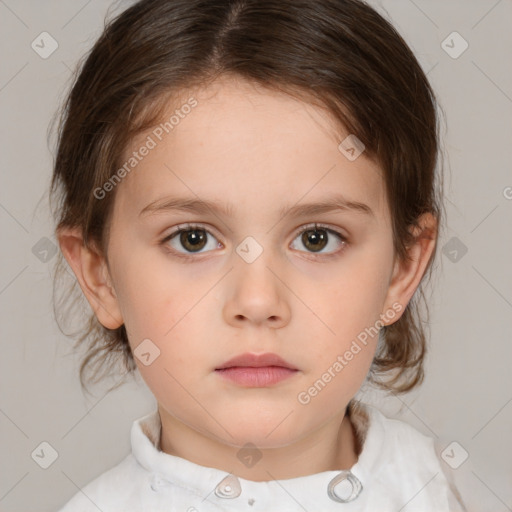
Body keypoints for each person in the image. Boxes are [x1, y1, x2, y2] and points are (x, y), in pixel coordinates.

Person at [50, 0, 467, 510]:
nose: (257, 300)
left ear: (403, 268)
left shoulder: (436, 487)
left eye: (317, 238)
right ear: (100, 276)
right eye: (193, 239)